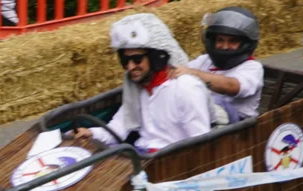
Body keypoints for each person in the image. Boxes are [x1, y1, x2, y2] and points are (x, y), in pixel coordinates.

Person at [73, 12, 213, 154]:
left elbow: (200, 143)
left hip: (171, 160)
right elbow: (118, 128)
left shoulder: (186, 88)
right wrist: (91, 133)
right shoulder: (137, 89)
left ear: (156, 57)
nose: (130, 67)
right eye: (125, 60)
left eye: (137, 60)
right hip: (141, 155)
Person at [170, 7, 264, 123]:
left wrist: (193, 73)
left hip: (238, 125)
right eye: (220, 40)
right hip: (202, 117)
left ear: (246, 43)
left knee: (214, 102)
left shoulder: (252, 67)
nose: (225, 46)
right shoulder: (205, 60)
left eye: (233, 41)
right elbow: (181, 72)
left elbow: (231, 86)